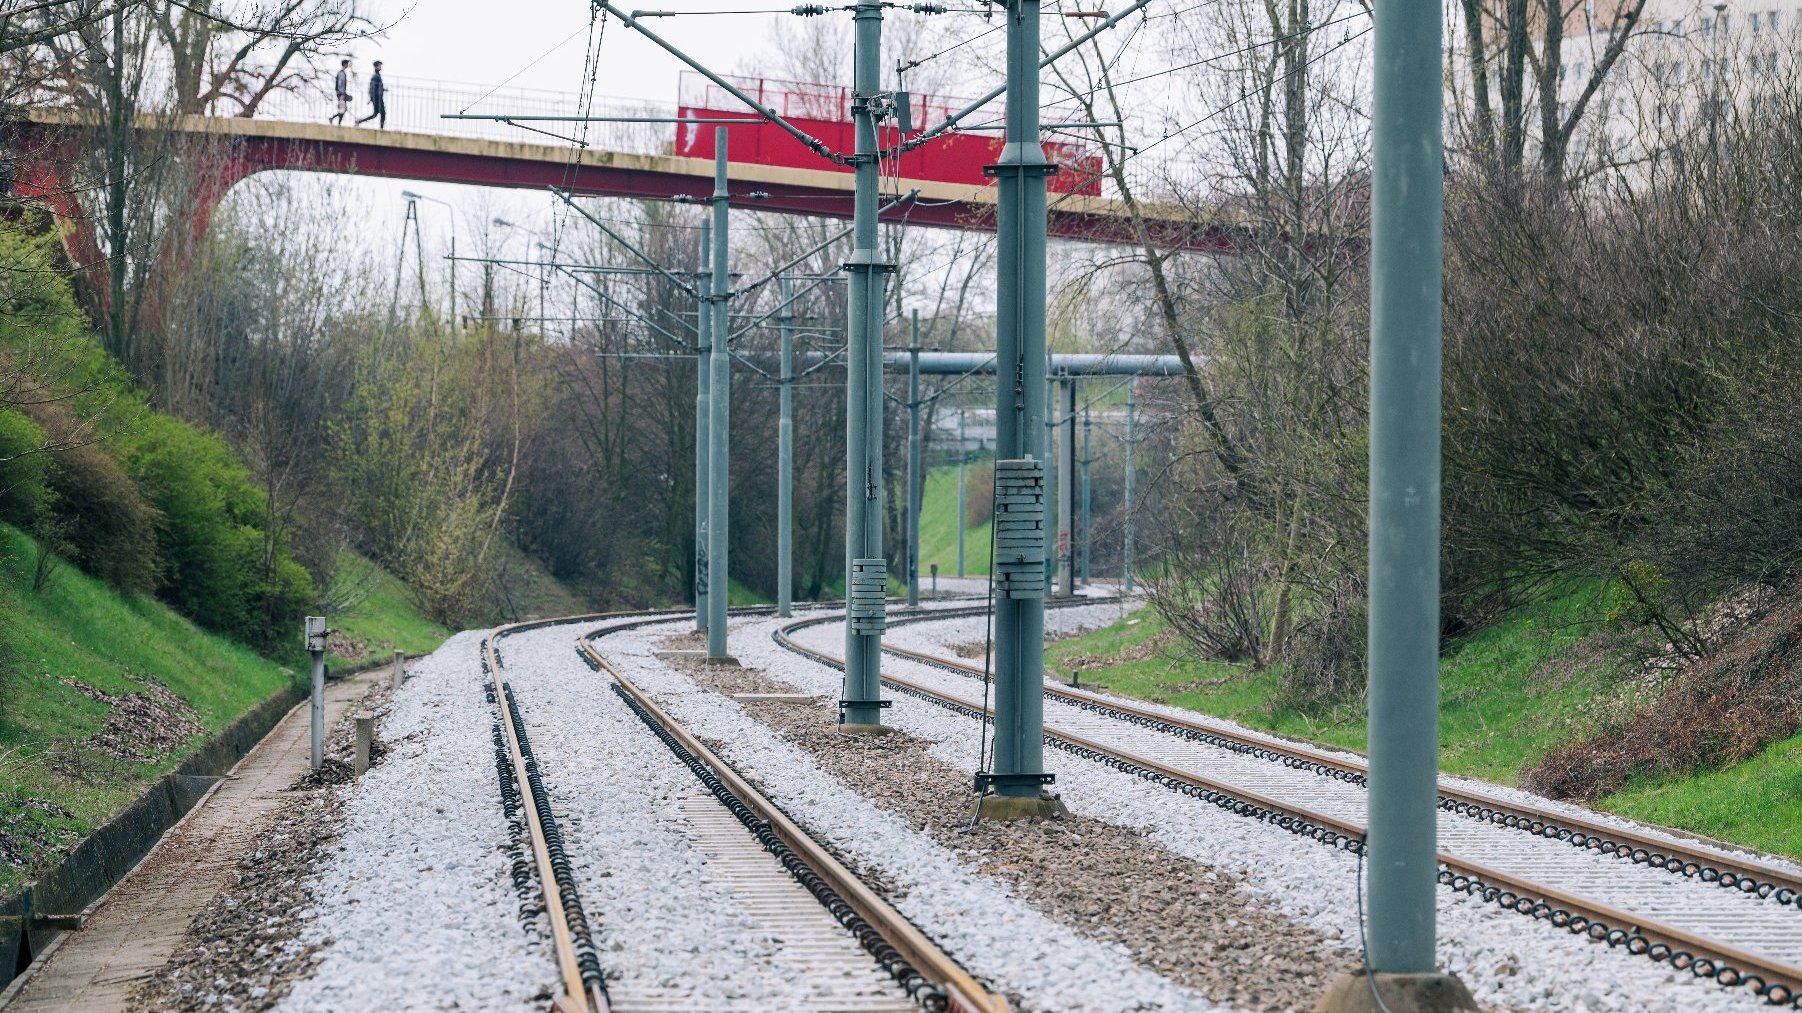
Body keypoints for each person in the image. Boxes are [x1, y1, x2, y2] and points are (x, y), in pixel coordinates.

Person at [357, 60, 386, 128]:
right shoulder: (375, 76)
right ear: (376, 66)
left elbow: (377, 88)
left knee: (375, 114)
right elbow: (372, 88)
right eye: (379, 66)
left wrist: (383, 90)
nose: (380, 67)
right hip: (377, 98)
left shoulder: (377, 76)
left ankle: (359, 121)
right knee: (383, 113)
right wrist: (372, 98)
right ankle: (381, 128)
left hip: (377, 97)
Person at [330, 58, 351, 124]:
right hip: (341, 93)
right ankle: (335, 120)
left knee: (343, 109)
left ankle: (336, 120)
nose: (348, 65)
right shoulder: (341, 73)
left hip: (341, 93)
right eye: (347, 64)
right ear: (345, 64)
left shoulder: (342, 73)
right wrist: (342, 93)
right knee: (343, 109)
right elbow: (340, 84)